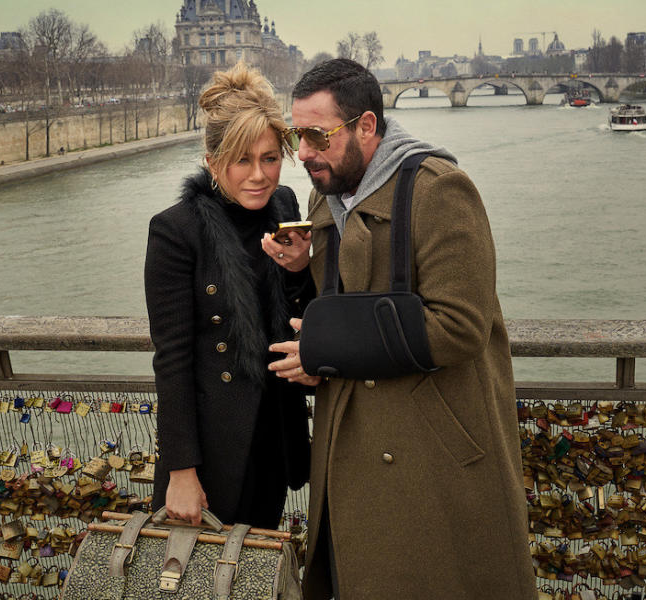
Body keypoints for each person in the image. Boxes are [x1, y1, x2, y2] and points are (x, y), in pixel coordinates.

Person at [267, 59, 537, 599]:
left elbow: (460, 326)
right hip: (353, 435)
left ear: (367, 126)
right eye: (298, 135)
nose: (305, 153)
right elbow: (351, 298)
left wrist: (325, 346)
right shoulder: (331, 190)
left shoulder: (440, 190)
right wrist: (305, 269)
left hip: (429, 448)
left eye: (318, 135)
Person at [144, 62, 312, 529]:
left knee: (255, 571)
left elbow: (300, 312)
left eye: (270, 158)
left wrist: (300, 269)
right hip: (212, 450)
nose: (259, 175)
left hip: (274, 434)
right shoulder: (176, 231)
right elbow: (172, 358)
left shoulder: (286, 206)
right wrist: (180, 470)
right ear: (213, 161)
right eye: (242, 160)